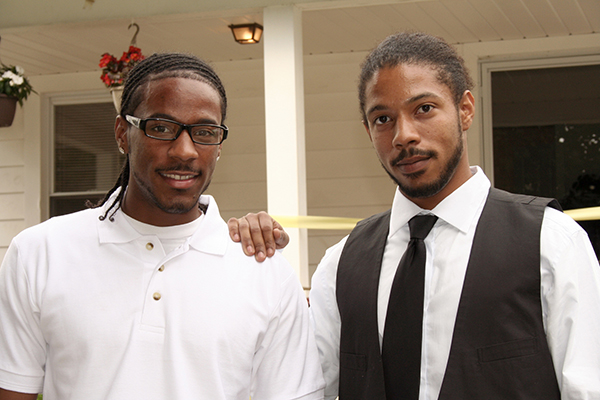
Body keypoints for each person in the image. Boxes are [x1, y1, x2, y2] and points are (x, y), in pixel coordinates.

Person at [228, 32, 600, 399]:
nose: (403, 135)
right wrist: (243, 258)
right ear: (368, 131)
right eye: (383, 119)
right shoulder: (340, 264)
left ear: (465, 110)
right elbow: (304, 388)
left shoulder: (549, 242)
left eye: (423, 109)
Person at [0, 52, 325, 400]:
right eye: (161, 128)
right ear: (123, 134)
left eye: (204, 132)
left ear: (218, 146)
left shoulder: (264, 272)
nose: (184, 150)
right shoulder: (40, 253)